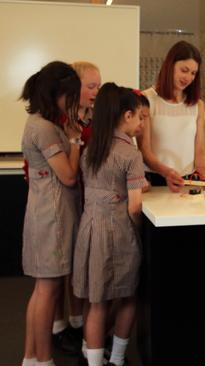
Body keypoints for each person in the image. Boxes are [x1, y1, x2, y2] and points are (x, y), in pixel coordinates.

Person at [72, 83, 147, 366]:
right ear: (126, 116)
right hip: (118, 232)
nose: (141, 123)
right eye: (139, 117)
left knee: (97, 301)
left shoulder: (91, 149)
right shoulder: (130, 154)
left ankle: (93, 362)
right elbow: (135, 205)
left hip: (89, 229)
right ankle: (116, 360)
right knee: (127, 298)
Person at [20, 61, 82, 366]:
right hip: (52, 216)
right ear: (56, 93)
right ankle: (42, 360)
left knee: (42, 290)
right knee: (47, 290)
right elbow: (68, 176)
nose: (73, 103)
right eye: (70, 95)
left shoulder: (40, 121)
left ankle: (32, 357)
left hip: (47, 212)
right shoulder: (45, 128)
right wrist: (74, 140)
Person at [50, 61, 102, 357]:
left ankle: (77, 322)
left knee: (78, 265)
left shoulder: (95, 118)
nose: (95, 92)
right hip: (62, 200)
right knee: (57, 268)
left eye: (98, 86)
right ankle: (57, 327)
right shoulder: (56, 121)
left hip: (88, 199)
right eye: (90, 86)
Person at [137, 40, 205, 192]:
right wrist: (167, 172)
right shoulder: (147, 99)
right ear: (170, 66)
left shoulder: (197, 105)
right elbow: (145, 151)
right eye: (184, 70)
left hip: (187, 181)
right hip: (156, 180)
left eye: (193, 73)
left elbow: (200, 150)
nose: (188, 78)